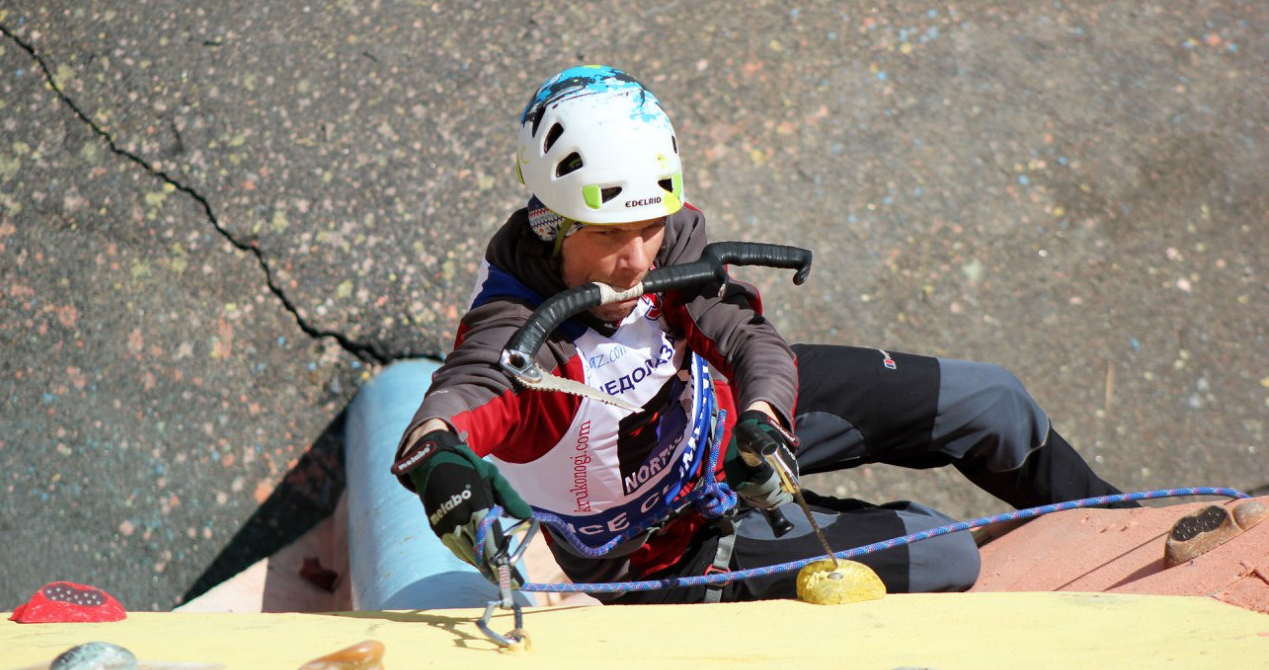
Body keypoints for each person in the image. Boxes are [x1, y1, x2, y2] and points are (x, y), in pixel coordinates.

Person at [391, 65, 1127, 603]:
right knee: (941, 552)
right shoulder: (517, 331)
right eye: (613, 236)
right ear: (552, 226)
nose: (640, 260)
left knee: (995, 399)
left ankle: (1130, 530)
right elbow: (456, 404)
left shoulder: (664, 233)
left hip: (731, 427)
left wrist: (763, 417)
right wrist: (440, 469)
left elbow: (748, 337)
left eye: (652, 229)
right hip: (678, 553)